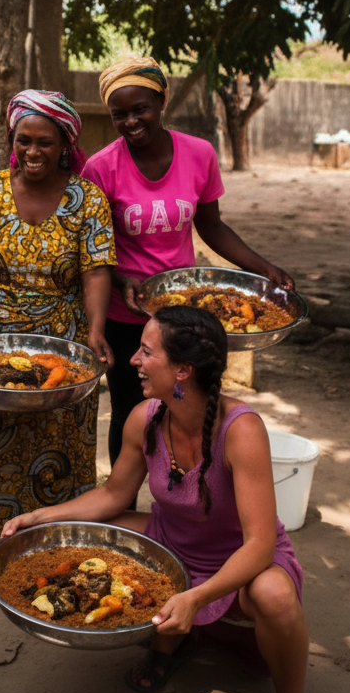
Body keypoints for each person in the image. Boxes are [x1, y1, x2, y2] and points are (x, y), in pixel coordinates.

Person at [1, 305, 311, 693]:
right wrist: (39, 517)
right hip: (169, 545)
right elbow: (113, 496)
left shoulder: (241, 430)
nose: (133, 361)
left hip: (240, 560)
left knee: (274, 596)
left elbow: (259, 544)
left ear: (183, 370)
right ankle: (173, 644)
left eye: (146, 352)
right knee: (94, 542)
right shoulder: (144, 418)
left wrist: (194, 597)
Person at [0, 89, 116, 610]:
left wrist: (97, 330)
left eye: (45, 143)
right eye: (23, 140)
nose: (32, 151)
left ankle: (63, 564)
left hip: (66, 344)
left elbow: (96, 269)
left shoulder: (87, 199)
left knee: (67, 451)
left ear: (65, 145)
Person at [82, 57, 295, 476]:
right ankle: (124, 497)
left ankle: (187, 492)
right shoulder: (100, 168)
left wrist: (263, 266)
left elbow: (211, 225)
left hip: (185, 315)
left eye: (140, 109)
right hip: (127, 317)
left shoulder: (199, 154)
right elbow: (93, 250)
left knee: (190, 407)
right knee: (132, 411)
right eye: (119, 114)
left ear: (161, 101)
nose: (130, 122)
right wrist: (122, 279)